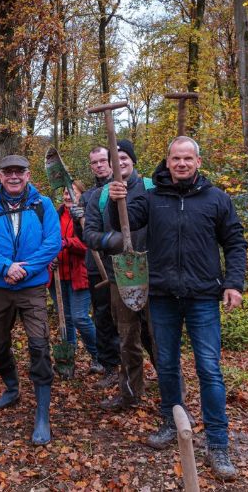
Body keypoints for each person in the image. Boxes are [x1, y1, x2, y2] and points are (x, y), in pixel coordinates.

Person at [107, 136, 247, 480]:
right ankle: (171, 422)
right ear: (167, 162)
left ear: (198, 162)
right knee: (167, 365)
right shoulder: (152, 198)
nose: (181, 163)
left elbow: (235, 242)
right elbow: (124, 220)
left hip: (202, 297)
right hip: (163, 296)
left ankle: (218, 443)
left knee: (209, 369)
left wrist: (233, 283)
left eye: (188, 158)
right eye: (176, 158)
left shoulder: (217, 199)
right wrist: (115, 200)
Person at [0, 155, 61, 445]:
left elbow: (52, 243)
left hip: (32, 286)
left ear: (28, 174)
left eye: (19, 172)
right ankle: (11, 387)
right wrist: (4, 267)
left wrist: (25, 269)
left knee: (39, 346)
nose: (13, 177)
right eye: (8, 172)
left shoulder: (42, 204)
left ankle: (42, 415)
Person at [83, 139, 156, 412]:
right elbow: (89, 233)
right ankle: (130, 392)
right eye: (115, 158)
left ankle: (173, 392)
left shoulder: (152, 189)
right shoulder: (100, 196)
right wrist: (110, 239)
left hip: (154, 276)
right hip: (120, 277)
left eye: (124, 157)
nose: (120, 162)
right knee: (127, 338)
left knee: (158, 336)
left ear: (133, 160)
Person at [72, 146, 120, 389]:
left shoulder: (123, 188)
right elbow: (83, 236)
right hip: (96, 266)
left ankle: (137, 366)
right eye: (94, 162)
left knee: (132, 318)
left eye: (103, 160)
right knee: (102, 317)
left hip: (123, 264)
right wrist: (76, 219)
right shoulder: (89, 195)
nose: (99, 165)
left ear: (112, 162)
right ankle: (110, 366)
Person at [50, 181, 102, 374]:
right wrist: (50, 259)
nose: (67, 196)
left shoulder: (86, 216)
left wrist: (67, 243)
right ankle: (69, 362)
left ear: (81, 195)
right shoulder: (55, 215)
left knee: (80, 318)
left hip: (79, 275)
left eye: (72, 192)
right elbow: (47, 242)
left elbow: (89, 245)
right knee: (66, 320)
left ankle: (99, 356)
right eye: (65, 192)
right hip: (58, 274)